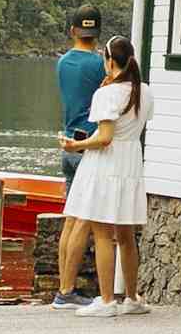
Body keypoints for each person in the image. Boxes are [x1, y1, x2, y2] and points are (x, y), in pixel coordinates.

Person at [55, 37, 149, 307]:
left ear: (109, 61)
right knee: (127, 235)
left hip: (104, 166)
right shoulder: (144, 91)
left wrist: (76, 145)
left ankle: (106, 300)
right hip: (130, 164)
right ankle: (131, 297)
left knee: (102, 233)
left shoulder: (106, 94)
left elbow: (105, 137)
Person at [55, 8, 108, 185]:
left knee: (71, 209)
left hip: (69, 144)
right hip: (89, 146)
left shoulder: (62, 62)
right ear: (98, 33)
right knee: (92, 211)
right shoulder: (101, 65)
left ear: (72, 31)